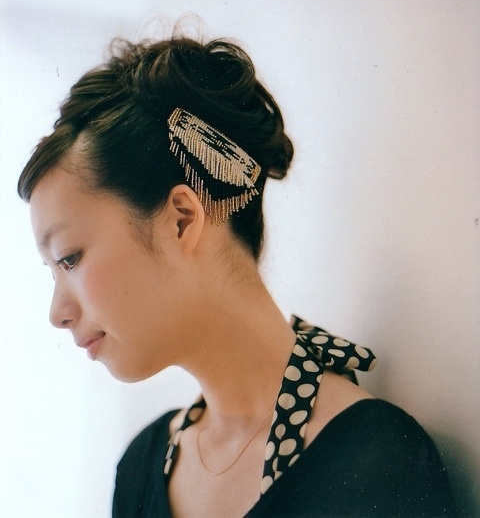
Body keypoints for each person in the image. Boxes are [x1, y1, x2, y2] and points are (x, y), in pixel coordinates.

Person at [18, 32, 457, 517]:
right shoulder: (141, 465)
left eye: (69, 258)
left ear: (181, 220)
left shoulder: (376, 462)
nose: (57, 313)